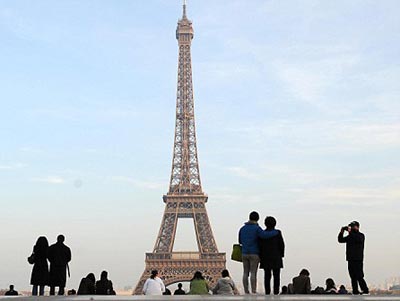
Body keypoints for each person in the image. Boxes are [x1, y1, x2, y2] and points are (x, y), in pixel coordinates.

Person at [238, 211, 279, 294]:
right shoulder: (257, 228)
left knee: (245, 272)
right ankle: (253, 290)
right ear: (257, 219)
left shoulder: (242, 228)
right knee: (253, 272)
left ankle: (246, 290)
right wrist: (276, 232)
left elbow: (240, 241)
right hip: (254, 253)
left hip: (244, 253)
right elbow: (264, 235)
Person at [338, 221, 369, 295]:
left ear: (357, 227)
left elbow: (357, 239)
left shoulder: (361, 235)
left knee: (359, 276)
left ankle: (365, 290)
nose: (351, 228)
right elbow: (340, 240)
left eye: (352, 226)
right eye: (350, 227)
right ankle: (355, 291)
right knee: (353, 277)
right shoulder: (350, 237)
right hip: (350, 259)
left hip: (358, 259)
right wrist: (341, 232)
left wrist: (349, 232)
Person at [259, 216, 285, 295]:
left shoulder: (262, 234)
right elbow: (282, 244)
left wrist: (261, 256)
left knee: (267, 276)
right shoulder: (278, 233)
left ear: (265, 224)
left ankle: (267, 292)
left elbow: (260, 246)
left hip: (265, 257)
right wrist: (282, 254)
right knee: (276, 276)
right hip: (276, 257)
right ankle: (276, 292)